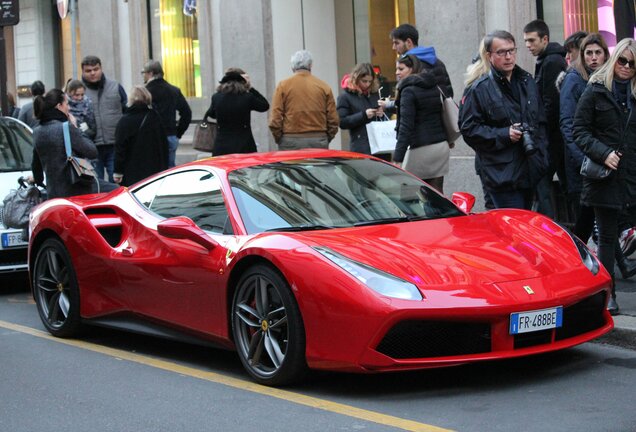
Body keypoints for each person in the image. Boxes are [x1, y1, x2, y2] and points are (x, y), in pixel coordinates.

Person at [573, 38, 636, 315]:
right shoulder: (596, 90)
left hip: (632, 175)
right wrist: (603, 152)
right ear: (614, 60)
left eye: (632, 63)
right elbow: (579, 130)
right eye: (622, 60)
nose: (626, 66)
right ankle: (608, 294)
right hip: (606, 176)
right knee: (607, 238)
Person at [458, 30, 548, 210]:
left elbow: (540, 121)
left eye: (512, 51)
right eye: (501, 52)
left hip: (531, 168)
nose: (508, 57)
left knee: (527, 229)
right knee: (511, 230)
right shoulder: (479, 89)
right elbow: (469, 129)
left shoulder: (526, 81)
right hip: (502, 175)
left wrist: (542, 155)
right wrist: (504, 134)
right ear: (489, 56)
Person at [523, 19, 568, 218]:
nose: (528, 46)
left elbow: (551, 103)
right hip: (550, 137)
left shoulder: (552, 61)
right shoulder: (545, 60)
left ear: (545, 39)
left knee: (545, 186)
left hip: (553, 137)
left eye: (532, 40)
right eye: (525, 41)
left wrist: (540, 131)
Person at [392, 54, 449, 193]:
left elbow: (406, 126)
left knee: (409, 196)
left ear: (412, 69)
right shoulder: (433, 85)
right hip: (440, 146)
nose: (397, 72)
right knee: (436, 194)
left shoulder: (408, 90)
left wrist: (397, 158)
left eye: (401, 68)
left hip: (421, 147)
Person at [31, 89, 97, 199]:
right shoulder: (67, 128)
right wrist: (76, 127)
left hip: (53, 194)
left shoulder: (37, 131)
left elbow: (36, 165)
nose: (69, 108)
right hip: (76, 192)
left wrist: (39, 182)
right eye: (67, 104)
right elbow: (92, 151)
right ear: (59, 106)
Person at [269, 50, 339, 149]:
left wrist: (280, 138)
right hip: (318, 139)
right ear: (310, 65)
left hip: (290, 139)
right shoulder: (324, 86)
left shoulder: (283, 86)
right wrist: (326, 137)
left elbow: (274, 119)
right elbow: (333, 119)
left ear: (292, 67)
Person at [81, 55, 127, 183]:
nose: (93, 73)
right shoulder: (78, 91)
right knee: (96, 184)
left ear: (101, 69)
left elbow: (126, 111)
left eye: (96, 69)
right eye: (88, 71)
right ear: (83, 72)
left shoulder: (115, 87)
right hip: (91, 147)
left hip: (114, 144)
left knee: (118, 184)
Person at [203, 67, 269, 156]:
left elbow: (212, 114)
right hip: (244, 145)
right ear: (242, 81)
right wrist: (250, 87)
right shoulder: (247, 97)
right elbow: (264, 106)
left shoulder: (216, 97)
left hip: (222, 146)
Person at [113, 86, 168, 187]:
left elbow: (120, 148)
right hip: (155, 171)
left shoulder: (125, 121)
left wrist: (118, 171)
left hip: (132, 171)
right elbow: (164, 145)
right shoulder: (156, 118)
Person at [142, 60, 192, 167]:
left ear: (150, 73)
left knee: (153, 171)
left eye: (144, 73)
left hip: (151, 137)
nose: (143, 76)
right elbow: (187, 113)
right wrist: (178, 133)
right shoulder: (173, 90)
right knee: (169, 169)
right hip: (170, 134)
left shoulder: (145, 92)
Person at [336, 63, 384, 155]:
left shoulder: (374, 93)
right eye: (364, 81)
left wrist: (380, 113)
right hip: (360, 145)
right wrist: (363, 115)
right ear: (356, 79)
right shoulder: (345, 97)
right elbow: (342, 122)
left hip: (379, 144)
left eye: (370, 81)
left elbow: (381, 118)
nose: (367, 84)